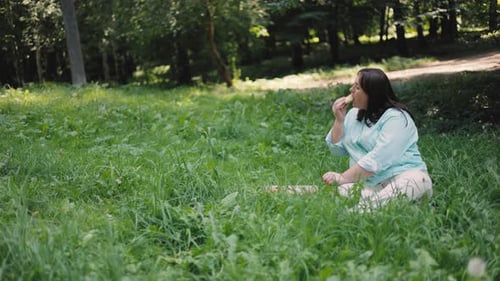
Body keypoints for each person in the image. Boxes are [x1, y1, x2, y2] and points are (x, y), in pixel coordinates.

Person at [322, 68, 432, 209]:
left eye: (357, 87)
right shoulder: (353, 115)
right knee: (341, 191)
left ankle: (357, 214)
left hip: (406, 177)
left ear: (371, 94)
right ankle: (384, 205)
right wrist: (339, 120)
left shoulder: (396, 117)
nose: (351, 90)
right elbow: (337, 150)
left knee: (411, 183)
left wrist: (343, 177)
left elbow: (379, 158)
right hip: (372, 185)